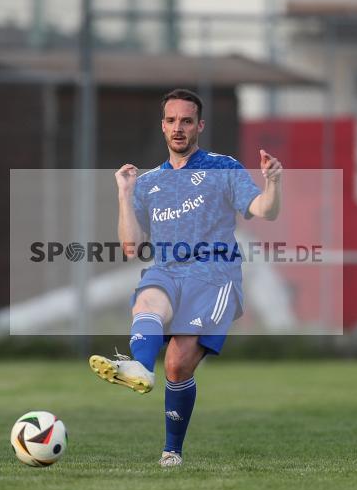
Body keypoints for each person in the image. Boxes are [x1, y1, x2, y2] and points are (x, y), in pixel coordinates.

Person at [89, 88, 283, 467]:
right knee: (147, 301)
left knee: (177, 365)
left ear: (199, 126)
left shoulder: (222, 168)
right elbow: (131, 245)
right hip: (167, 270)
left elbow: (264, 210)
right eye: (172, 120)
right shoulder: (148, 184)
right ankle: (141, 367)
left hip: (215, 276)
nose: (179, 128)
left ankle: (171, 450)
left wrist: (273, 182)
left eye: (187, 121)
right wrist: (124, 193)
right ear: (163, 126)